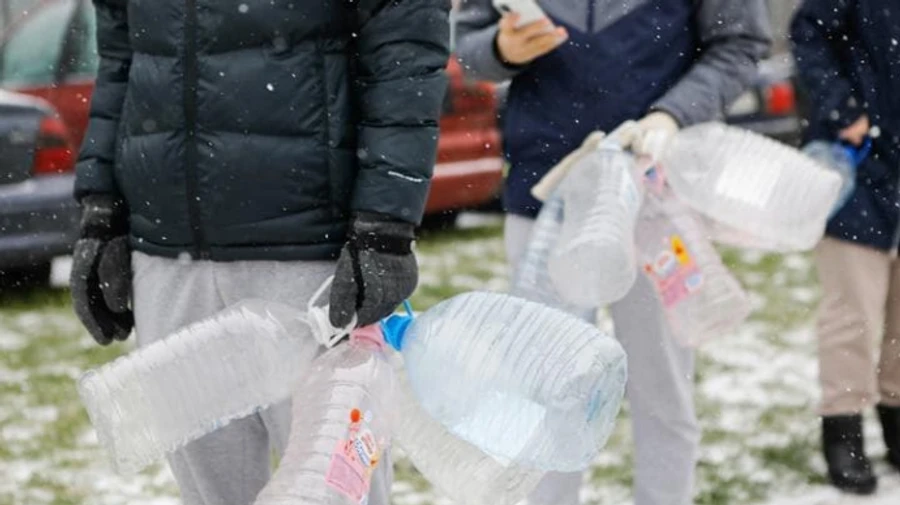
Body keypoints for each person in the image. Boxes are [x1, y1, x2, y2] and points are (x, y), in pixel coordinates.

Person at [70, 1, 450, 504]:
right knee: (209, 494)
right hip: (167, 251)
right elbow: (122, 54)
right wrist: (102, 210)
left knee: (332, 493)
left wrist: (385, 224)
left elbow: (404, 49)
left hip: (310, 253)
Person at [455, 2, 770, 504]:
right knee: (548, 394)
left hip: (655, 203)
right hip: (546, 198)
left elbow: (741, 43)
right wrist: (500, 50)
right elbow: (468, 46)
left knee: (662, 390)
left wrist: (672, 114)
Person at [791, 0, 900, 495]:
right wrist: (843, 108)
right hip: (858, 166)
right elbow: (808, 32)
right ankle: (844, 429)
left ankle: (896, 424)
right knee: (851, 312)